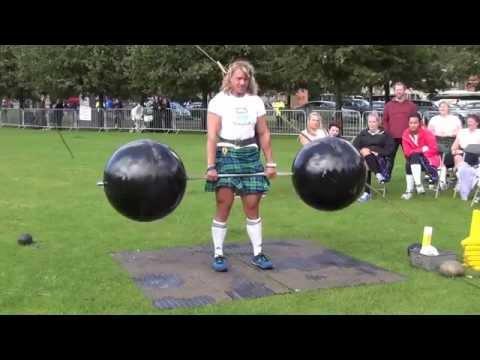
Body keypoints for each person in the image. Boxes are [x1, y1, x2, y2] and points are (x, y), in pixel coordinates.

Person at [205, 60, 277, 272]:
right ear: (229, 78)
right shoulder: (218, 101)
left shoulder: (255, 101)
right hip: (226, 153)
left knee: (253, 205)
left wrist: (270, 162)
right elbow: (211, 136)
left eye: (246, 78)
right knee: (224, 204)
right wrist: (211, 166)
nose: (242, 82)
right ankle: (218, 254)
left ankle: (258, 253)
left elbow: (263, 133)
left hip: (250, 154)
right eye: (238, 78)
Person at [353, 112, 395, 202]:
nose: (371, 124)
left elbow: (390, 149)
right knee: (365, 155)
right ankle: (378, 175)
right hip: (365, 159)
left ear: (378, 122)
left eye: (373, 122)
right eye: (369, 122)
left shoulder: (385, 134)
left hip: (380, 160)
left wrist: (378, 153)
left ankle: (367, 193)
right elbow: (355, 146)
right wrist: (363, 151)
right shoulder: (363, 134)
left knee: (365, 163)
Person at [400, 114, 441, 200]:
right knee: (411, 160)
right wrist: (421, 149)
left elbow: (434, 149)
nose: (413, 125)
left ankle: (411, 189)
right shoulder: (405, 133)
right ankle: (417, 186)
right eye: (411, 123)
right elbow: (407, 152)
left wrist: (418, 152)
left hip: (429, 160)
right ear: (408, 123)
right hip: (414, 161)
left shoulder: (427, 132)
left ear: (420, 123)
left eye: (415, 123)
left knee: (411, 160)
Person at [382, 82, 418, 175]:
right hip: (392, 136)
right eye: (397, 90)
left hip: (407, 136)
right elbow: (384, 120)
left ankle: (412, 178)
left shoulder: (411, 105)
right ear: (394, 91)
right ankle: (386, 176)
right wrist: (387, 133)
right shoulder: (388, 105)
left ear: (404, 91)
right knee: (389, 158)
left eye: (400, 89)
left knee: (410, 158)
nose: (398, 92)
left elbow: (415, 121)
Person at [427, 101, 463, 189]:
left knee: (451, 155)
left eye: (444, 106)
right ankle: (442, 181)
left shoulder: (455, 119)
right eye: (440, 106)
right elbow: (429, 132)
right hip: (437, 140)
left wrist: (451, 135)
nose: (442, 108)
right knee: (436, 155)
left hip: (452, 141)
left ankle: (450, 179)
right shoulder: (434, 119)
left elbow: (460, 132)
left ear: (448, 108)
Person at [451, 114, 480, 200]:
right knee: (458, 158)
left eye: (471, 122)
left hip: (476, 154)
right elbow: (453, 147)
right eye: (468, 121)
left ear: (477, 123)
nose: (469, 123)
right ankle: (463, 183)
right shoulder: (462, 132)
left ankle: (468, 182)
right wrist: (455, 151)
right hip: (462, 153)